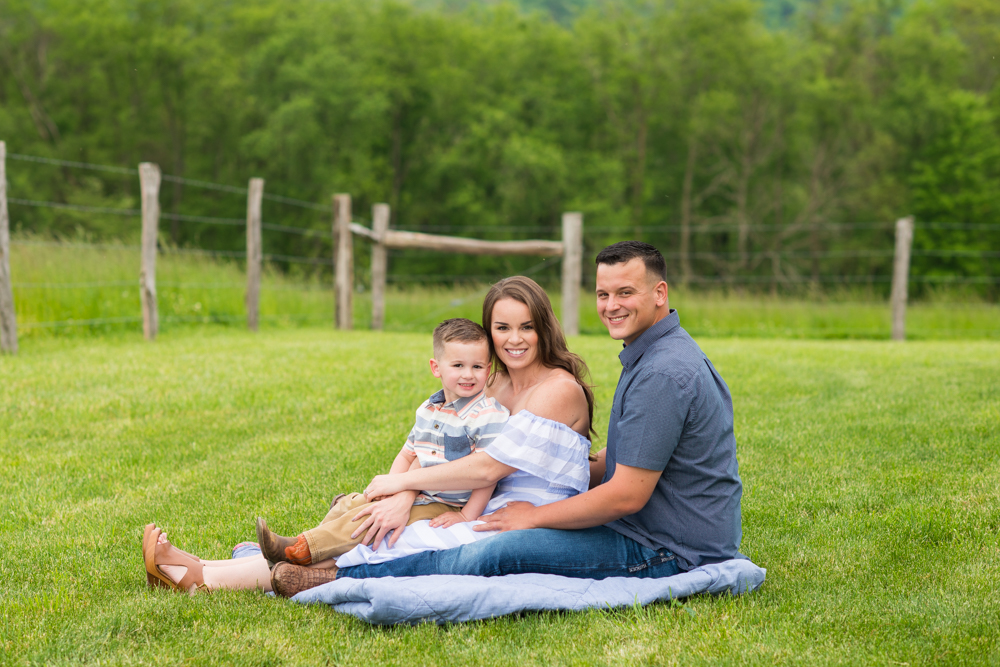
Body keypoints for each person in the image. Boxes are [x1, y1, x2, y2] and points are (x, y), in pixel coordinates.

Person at [283, 241, 743, 587]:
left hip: (669, 548)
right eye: (603, 294)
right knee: (460, 531)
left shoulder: (664, 372)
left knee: (496, 551)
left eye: (626, 292)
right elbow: (631, 457)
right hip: (645, 528)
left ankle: (335, 576)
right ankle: (285, 562)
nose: (611, 305)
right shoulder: (652, 355)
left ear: (659, 293)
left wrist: (534, 516)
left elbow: (625, 496)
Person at [142, 276, 595, 595]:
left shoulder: (557, 389)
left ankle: (202, 577)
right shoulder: (493, 384)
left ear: (544, 327)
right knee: (378, 519)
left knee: (389, 540)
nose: (514, 339)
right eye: (502, 328)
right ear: (488, 333)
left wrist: (402, 485)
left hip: (511, 514)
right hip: (469, 500)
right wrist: (401, 494)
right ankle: (203, 569)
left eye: (526, 327)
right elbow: (436, 442)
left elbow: (490, 466)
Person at [255, 318, 510, 569]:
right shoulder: (429, 409)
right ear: (436, 367)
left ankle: (299, 550)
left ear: (488, 369)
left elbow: (486, 475)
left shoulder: (488, 414)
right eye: (458, 365)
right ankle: (308, 542)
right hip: (418, 490)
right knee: (353, 504)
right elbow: (407, 454)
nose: (468, 375)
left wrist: (466, 516)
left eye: (477, 367)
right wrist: (391, 489)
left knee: (368, 520)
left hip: (447, 502)